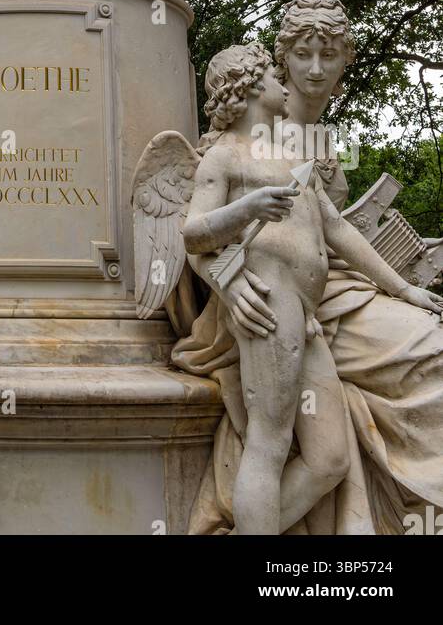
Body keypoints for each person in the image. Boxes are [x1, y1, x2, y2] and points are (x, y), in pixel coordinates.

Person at [178, 41, 442, 535]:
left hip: (308, 316)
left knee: (330, 459)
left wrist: (403, 289)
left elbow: (339, 230)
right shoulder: (224, 157)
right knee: (270, 442)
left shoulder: (291, 154)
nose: (285, 84)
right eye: (276, 78)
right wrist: (249, 208)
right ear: (255, 85)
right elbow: (193, 232)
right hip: (272, 311)